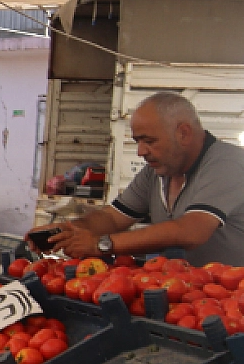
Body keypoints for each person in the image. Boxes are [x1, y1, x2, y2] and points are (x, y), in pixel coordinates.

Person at [40, 92, 244, 266]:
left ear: (184, 133)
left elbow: (191, 231)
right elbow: (113, 218)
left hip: (233, 302)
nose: (140, 151)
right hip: (185, 295)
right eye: (138, 141)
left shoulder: (228, 163)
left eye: (149, 141)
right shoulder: (157, 172)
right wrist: (67, 231)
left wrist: (102, 244)